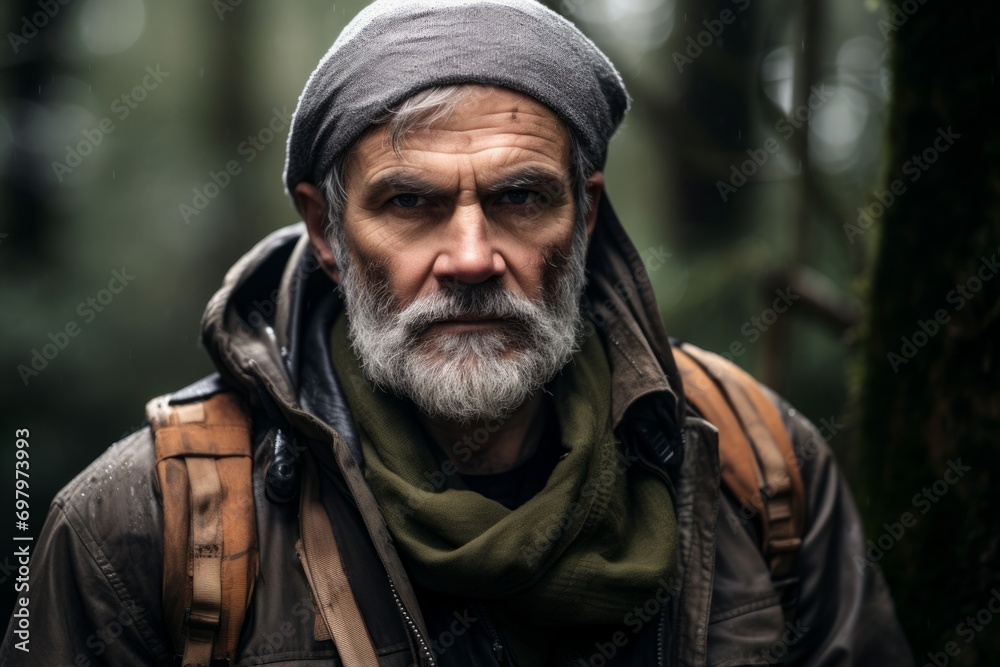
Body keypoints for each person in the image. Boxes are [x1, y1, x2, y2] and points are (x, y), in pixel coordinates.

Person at [1, 1, 915, 665]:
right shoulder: (144, 526)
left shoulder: (757, 463)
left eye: (520, 197)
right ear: (325, 230)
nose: (472, 257)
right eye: (411, 203)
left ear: (585, 216)